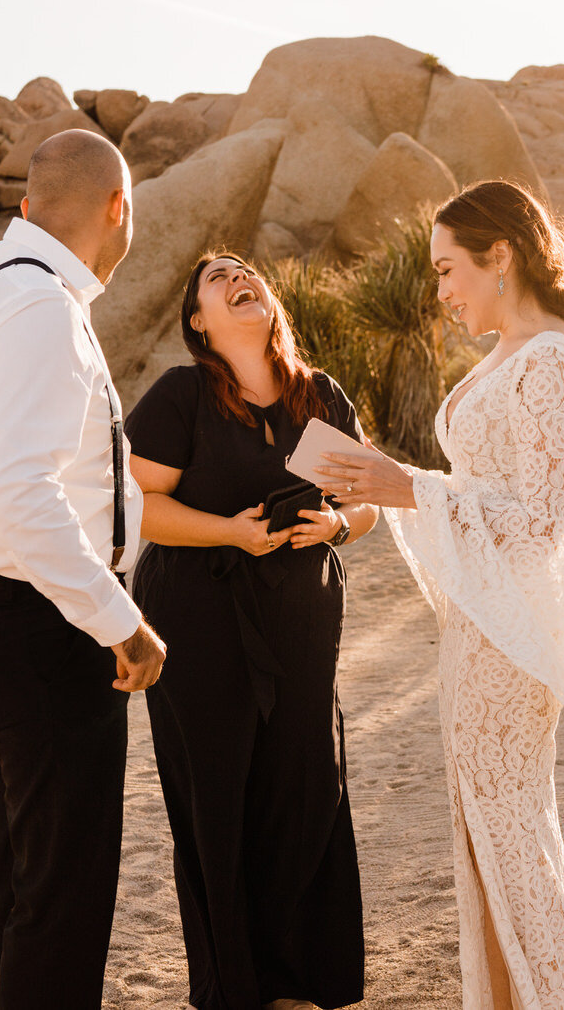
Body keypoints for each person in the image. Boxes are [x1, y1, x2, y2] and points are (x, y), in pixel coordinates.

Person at [318, 180, 564, 1010]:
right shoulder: (513, 352)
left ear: (500, 255)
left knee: (511, 842)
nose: (439, 292)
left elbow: (540, 522)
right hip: (482, 633)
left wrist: (409, 487)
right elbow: (486, 491)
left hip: (512, 648)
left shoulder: (550, 359)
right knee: (488, 843)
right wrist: (387, 483)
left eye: (447, 270)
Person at [0, 129, 166, 1009]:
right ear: (117, 208)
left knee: (25, 874)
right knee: (62, 890)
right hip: (47, 629)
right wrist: (116, 617)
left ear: (25, 207)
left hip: (6, 612)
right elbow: (19, 483)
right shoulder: (43, 306)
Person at [124, 252, 377, 1010]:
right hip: (200, 620)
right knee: (218, 796)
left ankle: (299, 979)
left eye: (245, 269)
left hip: (301, 624)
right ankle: (237, 989)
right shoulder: (185, 395)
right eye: (215, 276)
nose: (239, 276)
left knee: (305, 787)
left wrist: (337, 520)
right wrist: (229, 533)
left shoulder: (316, 395)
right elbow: (136, 504)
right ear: (200, 321)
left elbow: (369, 500)